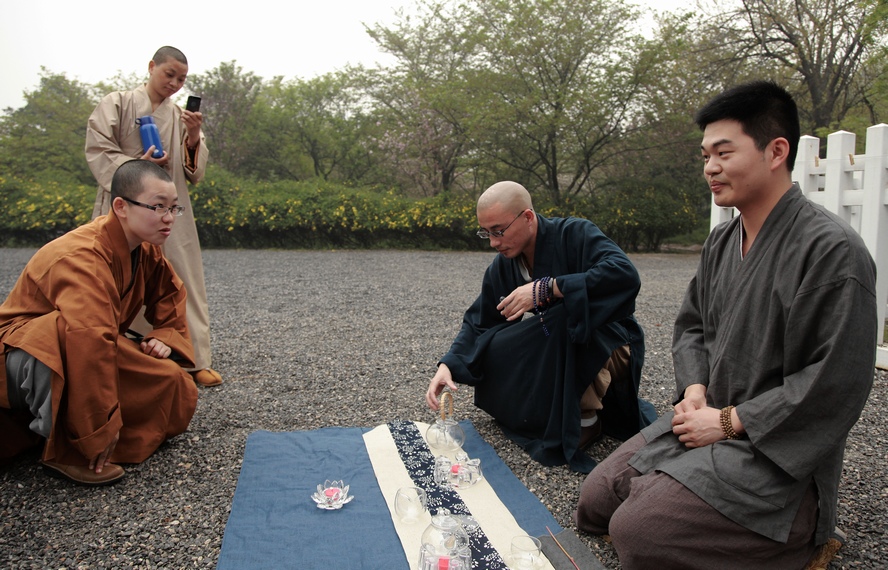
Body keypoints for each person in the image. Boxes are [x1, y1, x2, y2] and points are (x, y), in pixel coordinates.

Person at [574, 81, 878, 568]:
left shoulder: (832, 251)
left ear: (776, 151)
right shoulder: (722, 241)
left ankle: (805, 537)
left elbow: (837, 381)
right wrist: (694, 387)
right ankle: (683, 493)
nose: (709, 168)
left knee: (637, 532)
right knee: (596, 501)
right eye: (704, 155)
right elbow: (692, 325)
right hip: (706, 420)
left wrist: (730, 422)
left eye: (723, 152)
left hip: (773, 450)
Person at [425, 181, 655, 473]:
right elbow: (481, 321)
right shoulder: (505, 265)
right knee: (498, 343)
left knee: (561, 317)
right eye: (486, 233)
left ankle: (587, 420)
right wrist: (449, 364)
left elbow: (624, 275)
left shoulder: (575, 234)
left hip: (610, 342)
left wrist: (550, 288)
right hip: (561, 341)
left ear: (528, 217)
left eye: (499, 231)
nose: (494, 242)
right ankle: (539, 413)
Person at [0, 160, 200, 485]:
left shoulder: (144, 249)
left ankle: (71, 428)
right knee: (65, 335)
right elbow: (89, 340)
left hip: (87, 344)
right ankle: (73, 450)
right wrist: (98, 432)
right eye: (158, 207)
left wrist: (166, 334)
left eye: (173, 208)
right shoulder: (82, 257)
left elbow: (169, 293)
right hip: (30, 355)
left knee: (172, 383)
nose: (168, 219)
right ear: (121, 206)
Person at [85, 45, 222, 387]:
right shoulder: (117, 103)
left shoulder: (179, 116)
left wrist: (192, 135)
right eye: (169, 74)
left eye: (182, 79)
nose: (175, 83)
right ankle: (112, 356)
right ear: (151, 67)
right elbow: (98, 149)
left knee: (183, 277)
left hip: (169, 210)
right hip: (126, 206)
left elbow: (195, 172)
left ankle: (193, 358)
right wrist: (137, 164)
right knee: (113, 274)